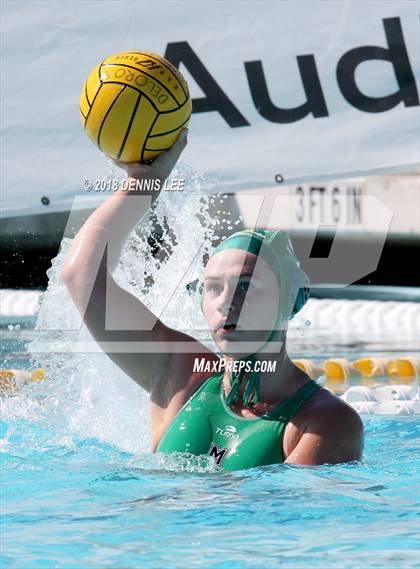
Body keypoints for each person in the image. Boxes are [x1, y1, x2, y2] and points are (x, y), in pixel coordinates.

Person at [61, 129, 364, 470]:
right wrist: (145, 180)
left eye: (246, 286)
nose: (227, 301)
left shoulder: (323, 422)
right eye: (213, 287)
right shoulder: (180, 373)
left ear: (293, 300)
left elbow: (277, 519)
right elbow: (81, 275)